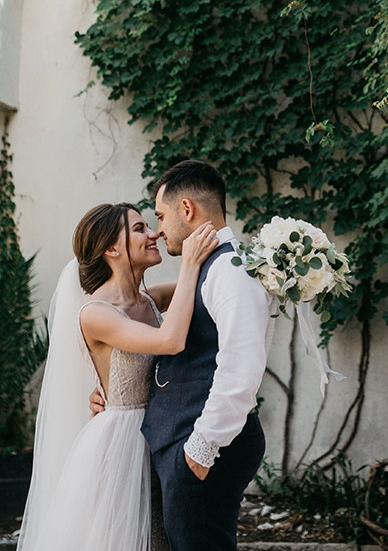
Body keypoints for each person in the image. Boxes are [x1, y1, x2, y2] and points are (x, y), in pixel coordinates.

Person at [17, 203, 218, 551]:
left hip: (163, 432)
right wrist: (189, 262)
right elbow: (169, 341)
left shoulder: (150, 300)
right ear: (111, 248)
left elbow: (207, 283)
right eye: (140, 229)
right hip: (123, 446)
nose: (153, 232)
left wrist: (269, 261)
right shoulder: (96, 313)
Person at [136, 159, 275, 551]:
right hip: (185, 439)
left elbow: (241, 368)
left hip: (202, 447)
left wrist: (200, 450)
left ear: (187, 209)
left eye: (161, 216)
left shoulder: (230, 270)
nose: (159, 229)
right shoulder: (207, 267)